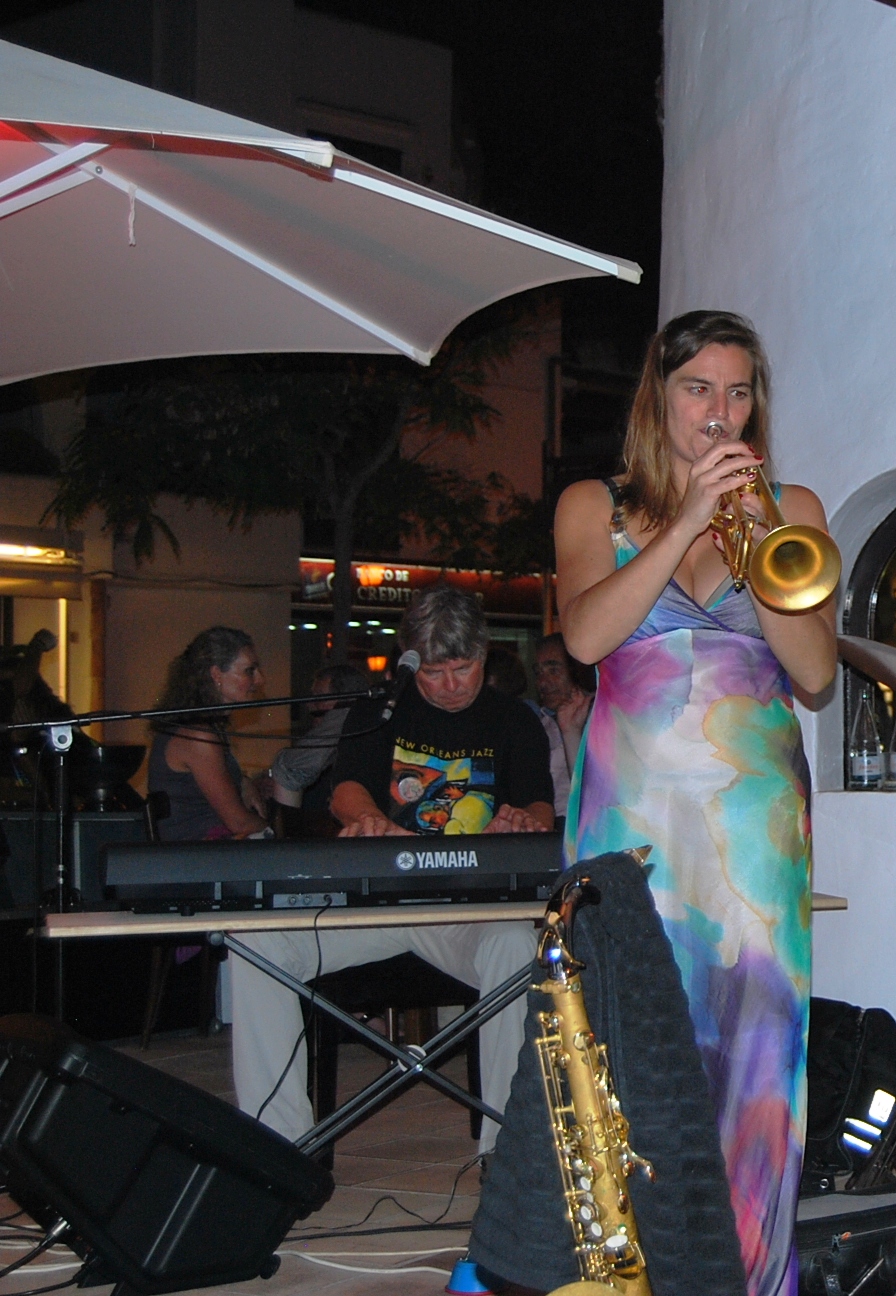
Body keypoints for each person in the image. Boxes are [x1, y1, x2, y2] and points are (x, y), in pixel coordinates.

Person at [545, 309, 834, 1295]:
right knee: (631, 1050)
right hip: (635, 821)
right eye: (698, 388)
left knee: (757, 1059)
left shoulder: (791, 506)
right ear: (657, 399)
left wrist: (757, 535)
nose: (720, 410)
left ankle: (750, 1279)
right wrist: (683, 524)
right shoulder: (594, 505)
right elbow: (587, 639)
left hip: (753, 831)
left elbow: (814, 671)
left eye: (738, 391)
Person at [227, 586, 553, 1154]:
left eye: (463, 669)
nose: (450, 685)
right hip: (381, 902)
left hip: (469, 911)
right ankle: (278, 1147)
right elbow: (345, 792)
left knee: (514, 946)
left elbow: (540, 807)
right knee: (255, 942)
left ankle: (507, 1153)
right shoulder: (379, 710)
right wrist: (371, 819)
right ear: (409, 661)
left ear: (484, 655)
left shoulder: (514, 720)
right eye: (433, 672)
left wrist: (522, 821)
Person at [147, 627, 271, 840]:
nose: (259, 680)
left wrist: (243, 781)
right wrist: (278, 833)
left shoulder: (197, 727)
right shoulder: (198, 736)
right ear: (216, 675)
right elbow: (239, 823)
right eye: (249, 671)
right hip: (197, 854)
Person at [262, 662, 370, 838]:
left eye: (319, 698)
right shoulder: (319, 739)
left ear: (344, 700)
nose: (310, 705)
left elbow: (290, 768)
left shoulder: (348, 727)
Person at [532, 632, 593, 817]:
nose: (543, 682)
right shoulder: (536, 725)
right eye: (538, 673)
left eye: (553, 671)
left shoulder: (601, 718)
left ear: (576, 669)